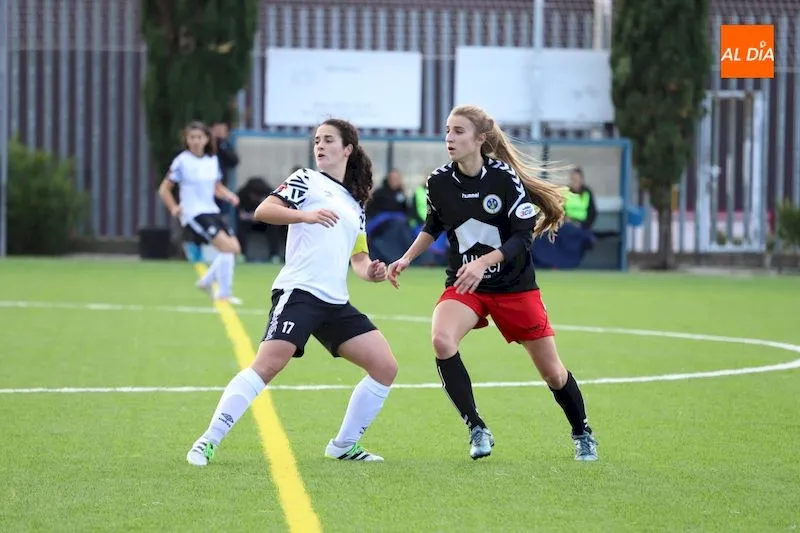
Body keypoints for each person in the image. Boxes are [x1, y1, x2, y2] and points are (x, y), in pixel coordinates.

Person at [386, 104, 599, 462]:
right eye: (447, 130)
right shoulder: (438, 182)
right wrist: (406, 258)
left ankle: (582, 433)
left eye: (458, 131)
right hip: (467, 284)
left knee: (553, 373)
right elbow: (433, 226)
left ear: (480, 139)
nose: (449, 138)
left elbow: (523, 237)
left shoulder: (504, 178)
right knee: (441, 339)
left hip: (514, 287)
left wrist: (484, 262)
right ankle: (476, 427)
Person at [186, 118, 398, 466]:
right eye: (317, 140)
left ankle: (343, 445)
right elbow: (264, 210)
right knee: (268, 364)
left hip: (335, 302)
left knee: (385, 367)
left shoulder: (355, 204)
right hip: (300, 291)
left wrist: (373, 272)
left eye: (328, 140)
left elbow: (359, 260)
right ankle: (208, 440)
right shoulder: (305, 179)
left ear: (347, 149)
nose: (320, 145)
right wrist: (305, 216)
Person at [158, 121, 243, 304]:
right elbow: (164, 189)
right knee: (226, 248)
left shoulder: (212, 160)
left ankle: (206, 282)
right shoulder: (182, 161)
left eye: (199, 137)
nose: (196, 141)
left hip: (212, 210)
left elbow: (216, 187)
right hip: (194, 213)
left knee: (234, 249)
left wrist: (229, 196)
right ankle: (224, 293)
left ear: (206, 139)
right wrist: (174, 208)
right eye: (192, 137)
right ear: (186, 140)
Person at [564, 166, 598, 230]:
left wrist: (585, 225)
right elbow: (560, 210)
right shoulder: (565, 192)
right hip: (567, 225)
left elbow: (592, 212)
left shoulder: (587, 192)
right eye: (573, 180)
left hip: (583, 225)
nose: (575, 182)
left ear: (582, 180)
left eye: (577, 180)